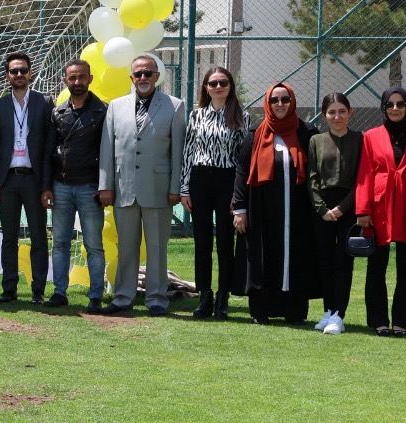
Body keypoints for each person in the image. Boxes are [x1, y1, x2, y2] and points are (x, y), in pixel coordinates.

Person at [98, 53, 184, 316]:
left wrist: (175, 188)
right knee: (126, 247)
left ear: (157, 76)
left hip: (159, 188)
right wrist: (105, 185)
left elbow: (178, 152)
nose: (143, 77)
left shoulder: (174, 106)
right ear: (131, 77)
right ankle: (124, 296)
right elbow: (107, 148)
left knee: (157, 247)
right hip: (123, 188)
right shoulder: (116, 106)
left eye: (148, 73)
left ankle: (156, 298)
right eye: (138, 73)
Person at [233, 82, 317, 325]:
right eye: (274, 100)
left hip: (298, 210)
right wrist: (240, 209)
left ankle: (294, 309)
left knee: (296, 255)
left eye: (285, 99)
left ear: (292, 102)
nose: (280, 104)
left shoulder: (307, 132)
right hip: (262, 210)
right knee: (263, 254)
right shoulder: (255, 134)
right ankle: (261, 309)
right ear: (267, 104)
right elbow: (242, 171)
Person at [355, 87, 406, 336]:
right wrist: (363, 209)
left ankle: (401, 322)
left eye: (400, 104)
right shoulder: (371, 136)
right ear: (383, 107)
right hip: (379, 209)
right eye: (390, 104)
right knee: (376, 266)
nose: (395, 109)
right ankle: (379, 321)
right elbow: (365, 173)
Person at [180, 66, 247, 319]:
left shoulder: (241, 116)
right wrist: (184, 189)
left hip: (227, 179)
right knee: (202, 241)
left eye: (223, 83)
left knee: (225, 242)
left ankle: (223, 297)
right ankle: (204, 296)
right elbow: (188, 152)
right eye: (213, 83)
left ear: (230, 86)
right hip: (199, 179)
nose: (218, 87)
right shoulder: (196, 115)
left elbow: (244, 158)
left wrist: (238, 194)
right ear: (206, 88)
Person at [0, 51, 53, 304]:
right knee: (9, 237)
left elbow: (49, 147)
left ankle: (38, 290)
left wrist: (47, 184)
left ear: (30, 73)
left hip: (34, 179)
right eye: (14, 71)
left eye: (23, 70)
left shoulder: (44, 102)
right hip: (8, 180)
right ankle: (9, 289)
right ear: (7, 75)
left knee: (38, 236)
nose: (19, 74)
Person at [47, 58, 108, 311]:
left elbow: (108, 153)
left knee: (93, 245)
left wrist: (105, 186)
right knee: (60, 243)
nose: (77, 81)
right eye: (72, 77)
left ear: (90, 79)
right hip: (61, 186)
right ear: (65, 80)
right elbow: (49, 152)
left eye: (82, 76)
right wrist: (47, 186)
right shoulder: (57, 112)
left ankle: (95, 296)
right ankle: (59, 292)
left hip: (90, 187)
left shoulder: (103, 112)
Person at [307, 92, 363, 335]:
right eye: (332, 112)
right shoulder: (316, 140)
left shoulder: (360, 139)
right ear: (324, 115)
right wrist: (322, 209)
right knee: (325, 262)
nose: (337, 116)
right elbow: (312, 178)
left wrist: (343, 208)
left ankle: (339, 314)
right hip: (323, 209)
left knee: (343, 262)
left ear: (350, 112)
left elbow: (362, 178)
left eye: (342, 111)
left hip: (349, 207)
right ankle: (328, 311)